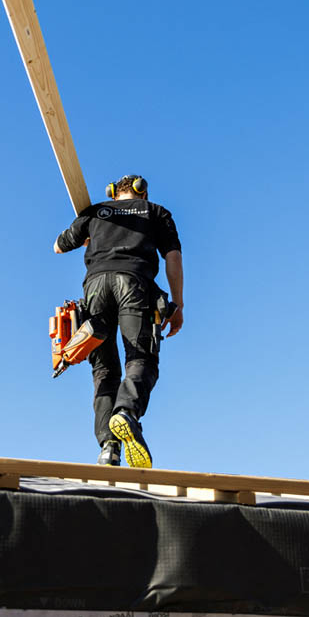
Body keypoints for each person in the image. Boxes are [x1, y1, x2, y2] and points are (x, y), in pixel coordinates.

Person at [54, 174, 183, 468]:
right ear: (143, 194)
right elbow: (173, 257)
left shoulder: (96, 211)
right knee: (141, 359)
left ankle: (108, 448)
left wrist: (87, 231)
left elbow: (58, 247)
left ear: (114, 194)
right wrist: (178, 304)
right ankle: (125, 412)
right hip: (134, 284)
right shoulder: (157, 212)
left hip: (95, 288)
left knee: (103, 369)